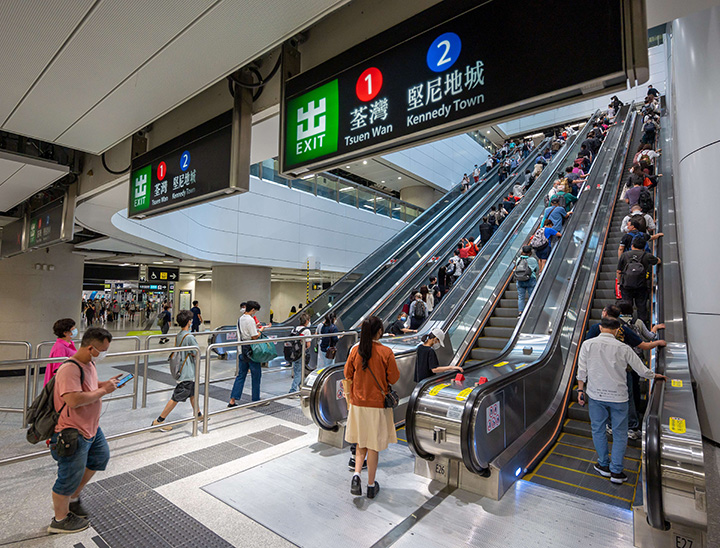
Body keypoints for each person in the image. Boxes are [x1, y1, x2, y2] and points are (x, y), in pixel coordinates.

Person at [577, 317, 666, 484]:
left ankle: (603, 465)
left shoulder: (587, 345)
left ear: (601, 328)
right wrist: (655, 375)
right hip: (618, 397)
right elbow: (641, 370)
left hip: (596, 395)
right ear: (618, 330)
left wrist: (580, 390)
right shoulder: (623, 348)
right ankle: (616, 471)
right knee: (619, 434)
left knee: (598, 430)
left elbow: (581, 370)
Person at [48, 327, 120, 534]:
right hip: (73, 431)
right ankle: (59, 520)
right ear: (90, 348)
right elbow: (72, 399)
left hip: (91, 427)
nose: (105, 352)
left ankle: (73, 498)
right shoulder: (70, 368)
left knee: (100, 457)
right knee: (68, 475)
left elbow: (88, 386)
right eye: (103, 349)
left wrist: (104, 384)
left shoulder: (89, 363)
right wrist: (103, 391)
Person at [585, 304, 667, 439]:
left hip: (601, 371)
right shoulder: (623, 330)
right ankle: (631, 428)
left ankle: (610, 425)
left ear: (604, 313)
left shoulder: (596, 328)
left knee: (605, 398)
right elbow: (643, 346)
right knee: (626, 398)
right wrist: (657, 343)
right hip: (622, 370)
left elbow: (586, 348)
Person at [345, 316, 400, 499]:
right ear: (379, 331)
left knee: (361, 442)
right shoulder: (386, 352)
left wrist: (348, 400)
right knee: (374, 446)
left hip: (357, 404)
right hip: (377, 405)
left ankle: (356, 475)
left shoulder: (355, 350)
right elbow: (394, 378)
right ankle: (370, 485)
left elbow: (347, 375)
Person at [152, 311, 202, 432]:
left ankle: (199, 415)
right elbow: (197, 353)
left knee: (192, 394)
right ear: (189, 322)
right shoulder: (189, 337)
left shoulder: (179, 334)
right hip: (187, 373)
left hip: (184, 370)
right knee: (176, 398)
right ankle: (159, 420)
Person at [229, 301, 267, 406]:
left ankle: (232, 400)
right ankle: (255, 400)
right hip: (251, 351)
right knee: (256, 375)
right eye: (255, 311)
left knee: (241, 375)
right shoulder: (250, 320)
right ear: (253, 310)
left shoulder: (240, 319)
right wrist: (261, 330)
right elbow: (254, 336)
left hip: (242, 350)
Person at [617, 236, 661, 326]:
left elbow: (619, 271)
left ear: (632, 245)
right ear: (644, 246)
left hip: (626, 286)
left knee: (626, 306)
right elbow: (657, 261)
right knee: (641, 306)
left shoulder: (624, 255)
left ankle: (627, 326)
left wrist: (618, 282)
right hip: (642, 286)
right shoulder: (647, 256)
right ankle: (642, 327)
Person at [45, 319, 79, 386]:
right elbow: (58, 370)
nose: (75, 330)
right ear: (65, 333)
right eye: (73, 329)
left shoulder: (70, 343)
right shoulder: (60, 348)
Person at [289, 313, 312, 394]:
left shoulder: (294, 329)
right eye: (309, 320)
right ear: (306, 321)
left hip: (293, 353)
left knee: (297, 370)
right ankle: (293, 391)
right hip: (301, 353)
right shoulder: (307, 331)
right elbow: (308, 344)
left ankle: (300, 388)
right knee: (299, 372)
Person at [514, 246, 539, 316]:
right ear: (530, 252)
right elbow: (537, 270)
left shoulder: (518, 259)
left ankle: (520, 312)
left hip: (520, 280)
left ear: (522, 252)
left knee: (521, 297)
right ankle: (531, 311)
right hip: (530, 279)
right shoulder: (533, 260)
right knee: (532, 296)